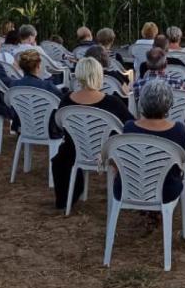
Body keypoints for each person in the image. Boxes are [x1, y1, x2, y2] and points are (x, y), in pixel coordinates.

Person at [51, 57, 134, 210]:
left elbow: (58, 124)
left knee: (60, 158)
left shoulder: (66, 101)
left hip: (75, 150)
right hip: (107, 153)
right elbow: (130, 127)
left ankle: (65, 200)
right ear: (98, 75)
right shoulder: (112, 103)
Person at [116, 81, 185, 209]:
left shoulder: (129, 127)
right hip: (166, 191)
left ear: (142, 102)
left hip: (130, 189)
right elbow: (184, 161)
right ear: (169, 104)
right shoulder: (179, 130)